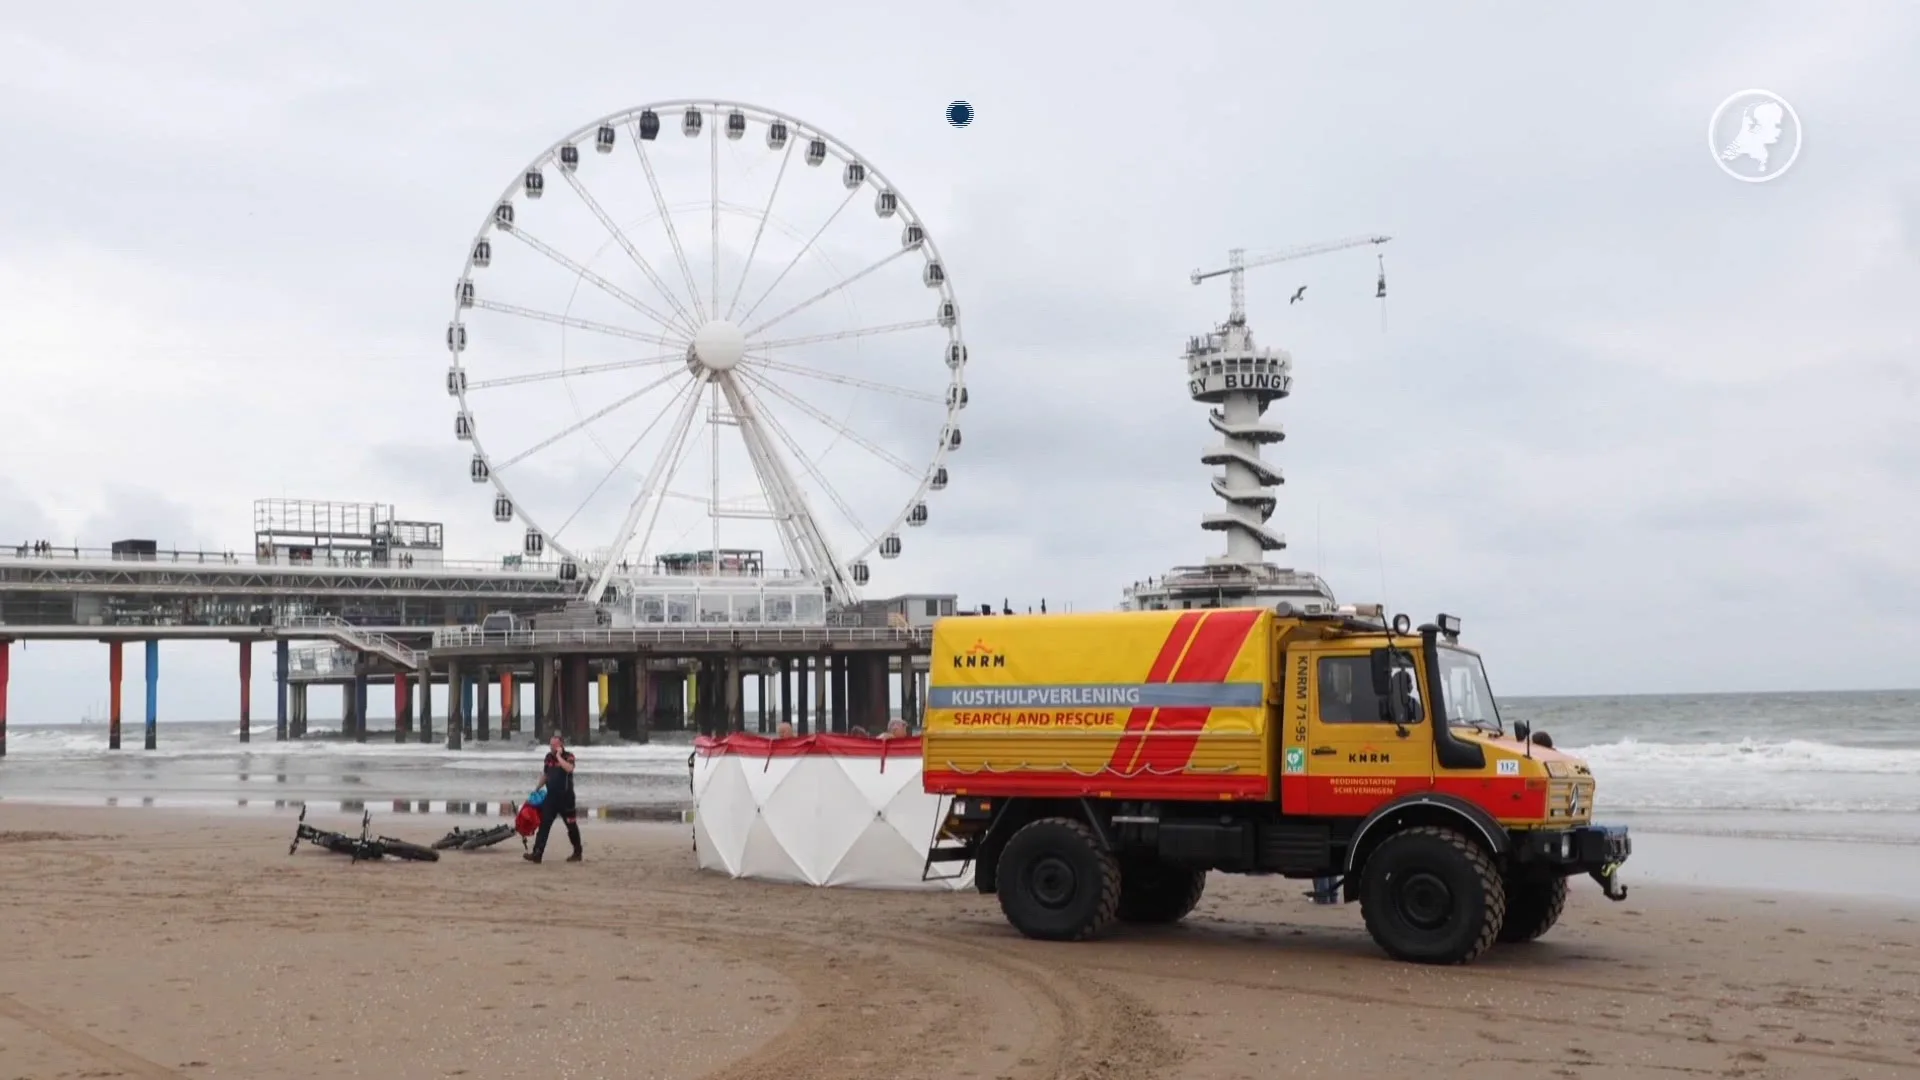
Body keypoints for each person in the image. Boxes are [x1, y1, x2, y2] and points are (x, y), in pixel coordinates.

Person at [525, 734, 583, 863]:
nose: (551, 747)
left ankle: (577, 852)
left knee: (571, 826)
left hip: (566, 798)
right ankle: (537, 853)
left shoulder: (569, 756)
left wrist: (558, 756)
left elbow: (569, 769)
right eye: (550, 745)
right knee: (544, 825)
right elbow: (546, 775)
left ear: (561, 745)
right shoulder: (548, 758)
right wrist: (536, 789)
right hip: (551, 797)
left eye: (554, 745)